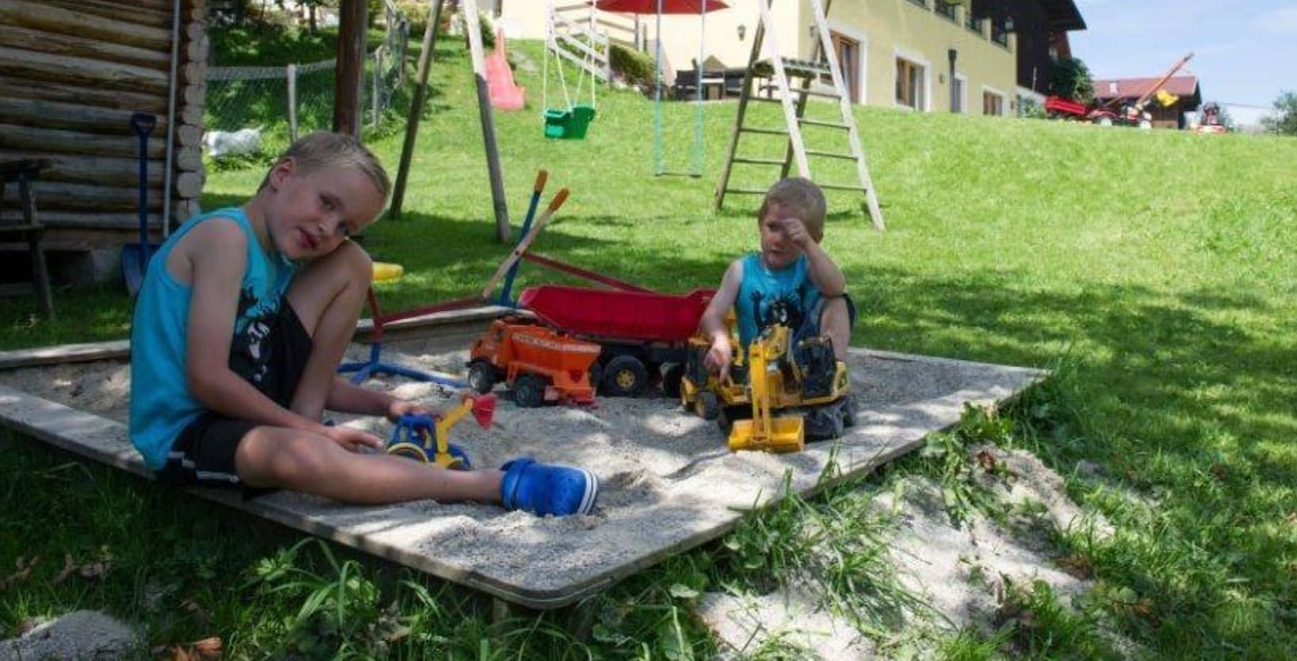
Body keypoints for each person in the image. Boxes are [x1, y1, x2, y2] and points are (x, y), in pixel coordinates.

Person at [128, 132, 596, 516]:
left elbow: (269, 368)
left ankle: (305, 421)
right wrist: (315, 435)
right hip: (192, 430)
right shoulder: (224, 237)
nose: (328, 229)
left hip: (258, 410)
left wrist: (385, 404)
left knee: (353, 262)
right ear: (282, 173)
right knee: (305, 455)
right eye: (326, 203)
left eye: (345, 226)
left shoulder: (279, 261)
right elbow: (209, 379)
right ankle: (492, 485)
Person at [698, 176, 852, 380]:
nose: (778, 239)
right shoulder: (741, 271)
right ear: (760, 225)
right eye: (772, 227)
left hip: (804, 365)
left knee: (838, 301)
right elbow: (711, 315)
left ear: (814, 239)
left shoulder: (809, 267)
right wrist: (720, 340)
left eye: (792, 234)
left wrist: (809, 247)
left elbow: (837, 287)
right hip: (758, 366)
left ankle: (830, 371)